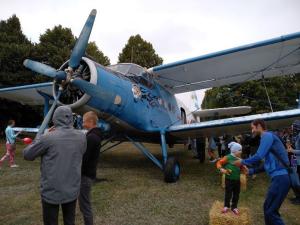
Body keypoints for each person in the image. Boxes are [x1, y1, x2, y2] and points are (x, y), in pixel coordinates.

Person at [23, 106, 87, 225]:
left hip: (51, 191)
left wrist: (41, 137)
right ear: (70, 119)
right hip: (72, 189)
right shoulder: (82, 137)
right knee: (70, 221)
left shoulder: (47, 137)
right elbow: (81, 152)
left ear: (55, 118)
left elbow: (27, 154)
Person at [235, 119, 290, 225]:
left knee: (271, 211)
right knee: (268, 208)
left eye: (252, 128)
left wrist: (242, 161)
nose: (251, 131)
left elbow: (259, 155)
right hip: (279, 178)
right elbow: (267, 165)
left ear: (259, 126)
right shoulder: (267, 138)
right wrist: (251, 171)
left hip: (281, 178)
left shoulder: (267, 136)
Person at [79, 111, 102, 225]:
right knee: (84, 204)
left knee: (85, 205)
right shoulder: (95, 135)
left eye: (84, 121)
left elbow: (84, 158)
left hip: (85, 176)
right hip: (89, 174)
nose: (82, 124)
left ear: (91, 122)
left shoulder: (91, 137)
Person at [216, 141, 247, 215]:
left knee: (236, 194)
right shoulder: (228, 157)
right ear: (234, 151)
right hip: (229, 179)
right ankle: (226, 206)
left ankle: (234, 207)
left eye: (241, 150)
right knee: (228, 193)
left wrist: (244, 168)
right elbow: (219, 163)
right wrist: (221, 169)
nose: (241, 151)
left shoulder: (239, 159)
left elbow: (241, 167)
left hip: (237, 180)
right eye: (239, 150)